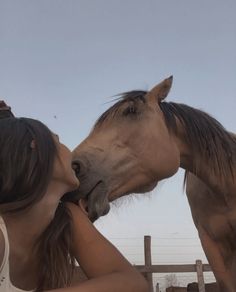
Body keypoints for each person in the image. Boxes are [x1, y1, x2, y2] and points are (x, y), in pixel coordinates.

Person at [0, 117, 148, 292]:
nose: (70, 152)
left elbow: (133, 284)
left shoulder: (67, 218)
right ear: (36, 146)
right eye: (58, 140)